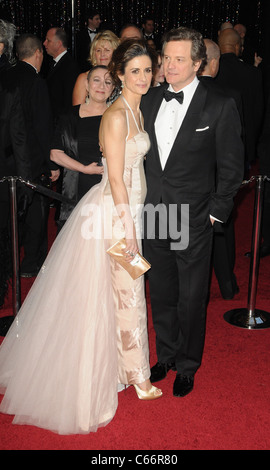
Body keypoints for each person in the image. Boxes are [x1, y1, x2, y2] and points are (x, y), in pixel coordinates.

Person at [0, 39, 162, 436]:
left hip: (132, 209)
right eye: (134, 71)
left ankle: (129, 368)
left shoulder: (135, 111)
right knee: (123, 293)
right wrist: (128, 228)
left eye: (147, 70)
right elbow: (118, 181)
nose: (142, 78)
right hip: (114, 212)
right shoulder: (118, 116)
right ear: (120, 73)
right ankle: (136, 376)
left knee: (121, 293)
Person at [141, 27, 244, 397]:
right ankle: (166, 354)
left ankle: (187, 364)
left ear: (198, 63)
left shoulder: (219, 104)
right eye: (166, 57)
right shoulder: (149, 100)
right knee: (162, 289)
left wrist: (216, 213)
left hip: (194, 216)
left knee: (191, 296)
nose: (169, 65)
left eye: (179, 59)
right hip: (154, 212)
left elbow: (233, 168)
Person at [1, 33, 58, 278]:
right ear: (38, 54)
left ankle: (11, 263)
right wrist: (51, 162)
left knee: (11, 215)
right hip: (32, 161)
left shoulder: (6, 75)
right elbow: (43, 127)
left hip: (7, 161)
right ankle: (31, 264)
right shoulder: (36, 82)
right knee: (36, 213)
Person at [199, 38, 243, 300]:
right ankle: (227, 285)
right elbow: (239, 142)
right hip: (221, 177)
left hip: (191, 183)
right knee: (222, 232)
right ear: (213, 63)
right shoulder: (230, 96)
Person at [51, 66, 114, 229]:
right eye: (96, 80)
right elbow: (55, 154)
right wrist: (84, 168)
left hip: (109, 190)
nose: (102, 86)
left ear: (113, 89)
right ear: (86, 85)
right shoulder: (68, 116)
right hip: (76, 190)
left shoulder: (117, 117)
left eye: (108, 82)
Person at [215, 28, 263, 166]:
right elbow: (258, 113)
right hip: (243, 145)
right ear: (237, 46)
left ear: (219, 45)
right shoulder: (253, 74)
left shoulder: (211, 72)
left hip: (214, 145)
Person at [72, 30, 120, 106]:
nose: (102, 54)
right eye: (98, 50)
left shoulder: (121, 78)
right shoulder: (84, 78)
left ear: (116, 53)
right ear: (94, 54)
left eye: (107, 50)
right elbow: (76, 113)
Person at [43, 27, 80, 123]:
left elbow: (69, 100)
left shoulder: (70, 66)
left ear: (59, 44)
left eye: (48, 40)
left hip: (61, 123)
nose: (44, 43)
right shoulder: (54, 63)